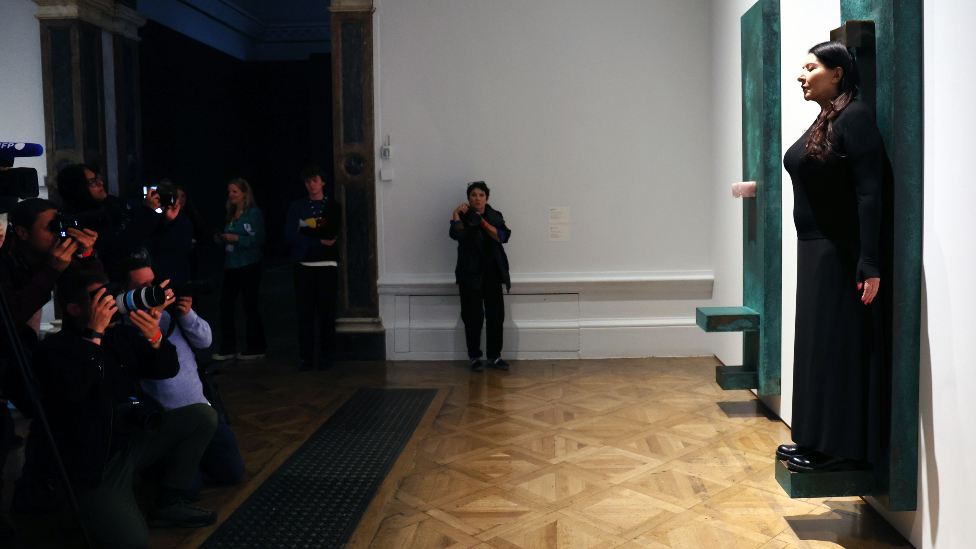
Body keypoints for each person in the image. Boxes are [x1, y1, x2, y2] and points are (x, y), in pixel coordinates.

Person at [11, 270, 218, 549]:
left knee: (201, 416)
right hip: (94, 461)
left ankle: (168, 502)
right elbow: (74, 391)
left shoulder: (119, 336)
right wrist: (93, 335)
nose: (109, 303)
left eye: (109, 295)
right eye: (98, 299)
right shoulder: (53, 350)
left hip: (130, 440)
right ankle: (82, 508)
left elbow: (165, 369)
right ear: (74, 309)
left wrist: (155, 337)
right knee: (133, 542)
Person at [776, 41, 893, 473]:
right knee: (816, 346)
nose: (801, 76)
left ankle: (839, 448)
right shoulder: (828, 118)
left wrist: (869, 260)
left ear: (838, 73)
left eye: (811, 68)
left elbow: (869, 192)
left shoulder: (855, 116)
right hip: (816, 250)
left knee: (835, 347)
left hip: (839, 252)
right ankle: (815, 440)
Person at [116, 257, 244, 499]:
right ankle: (161, 468)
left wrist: (187, 315)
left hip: (201, 408)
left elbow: (205, 341)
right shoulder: (123, 327)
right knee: (188, 491)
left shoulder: (169, 314)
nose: (152, 290)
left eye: (152, 283)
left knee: (232, 473)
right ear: (124, 293)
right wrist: (152, 331)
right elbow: (154, 367)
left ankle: (196, 461)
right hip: (168, 422)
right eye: (142, 287)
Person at [0, 198, 101, 333]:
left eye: (60, 225)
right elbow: (10, 316)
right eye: (52, 227)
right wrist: (52, 270)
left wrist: (87, 256)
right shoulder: (4, 260)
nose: (59, 233)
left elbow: (96, 294)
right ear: (23, 233)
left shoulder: (55, 256)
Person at [449, 181, 512, 372]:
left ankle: (494, 356)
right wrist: (455, 214)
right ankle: (474, 357)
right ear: (468, 198)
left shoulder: (494, 215)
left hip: (492, 274)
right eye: (474, 195)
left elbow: (503, 237)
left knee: (496, 316)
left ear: (487, 198)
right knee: (472, 318)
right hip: (469, 275)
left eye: (481, 195)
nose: (477, 198)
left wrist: (482, 222)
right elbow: (457, 235)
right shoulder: (462, 216)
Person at [285, 166, 341, 371]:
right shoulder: (297, 206)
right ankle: (306, 357)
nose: (311, 184)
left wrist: (306, 231)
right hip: (304, 265)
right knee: (305, 314)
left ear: (322, 182)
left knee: (327, 314)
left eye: (315, 180)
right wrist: (316, 240)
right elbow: (290, 234)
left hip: (327, 265)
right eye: (308, 181)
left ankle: (327, 356)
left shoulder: (333, 206)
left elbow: (330, 234)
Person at [56, 164, 161, 271]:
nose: (101, 183)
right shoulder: (81, 220)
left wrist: (166, 219)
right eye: (92, 182)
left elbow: (144, 231)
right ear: (79, 188)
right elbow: (117, 250)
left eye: (98, 178)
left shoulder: (111, 203)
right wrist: (147, 211)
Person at [213, 178, 266, 361]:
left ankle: (256, 347)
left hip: (249, 264)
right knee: (226, 304)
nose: (231, 195)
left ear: (244, 193)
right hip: (231, 265)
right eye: (229, 191)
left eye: (234, 191)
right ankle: (228, 348)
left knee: (249, 305)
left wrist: (237, 239)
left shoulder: (254, 214)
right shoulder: (230, 213)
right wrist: (221, 239)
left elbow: (259, 239)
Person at [144, 180, 193, 287]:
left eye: (169, 197)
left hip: (178, 278)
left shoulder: (183, 221)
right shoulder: (150, 219)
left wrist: (169, 221)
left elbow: (183, 247)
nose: (166, 201)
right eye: (163, 197)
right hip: (156, 278)